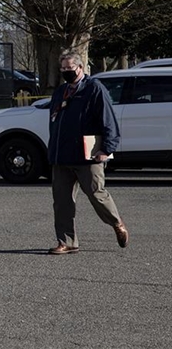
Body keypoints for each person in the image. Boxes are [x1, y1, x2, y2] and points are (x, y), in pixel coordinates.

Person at [46, 51, 128, 254]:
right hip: (62, 155)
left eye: (70, 68)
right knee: (62, 202)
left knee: (96, 194)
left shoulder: (94, 88)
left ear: (80, 68)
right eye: (63, 68)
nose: (66, 71)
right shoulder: (61, 91)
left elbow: (108, 120)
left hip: (87, 155)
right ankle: (66, 241)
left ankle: (117, 223)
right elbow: (54, 120)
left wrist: (107, 148)